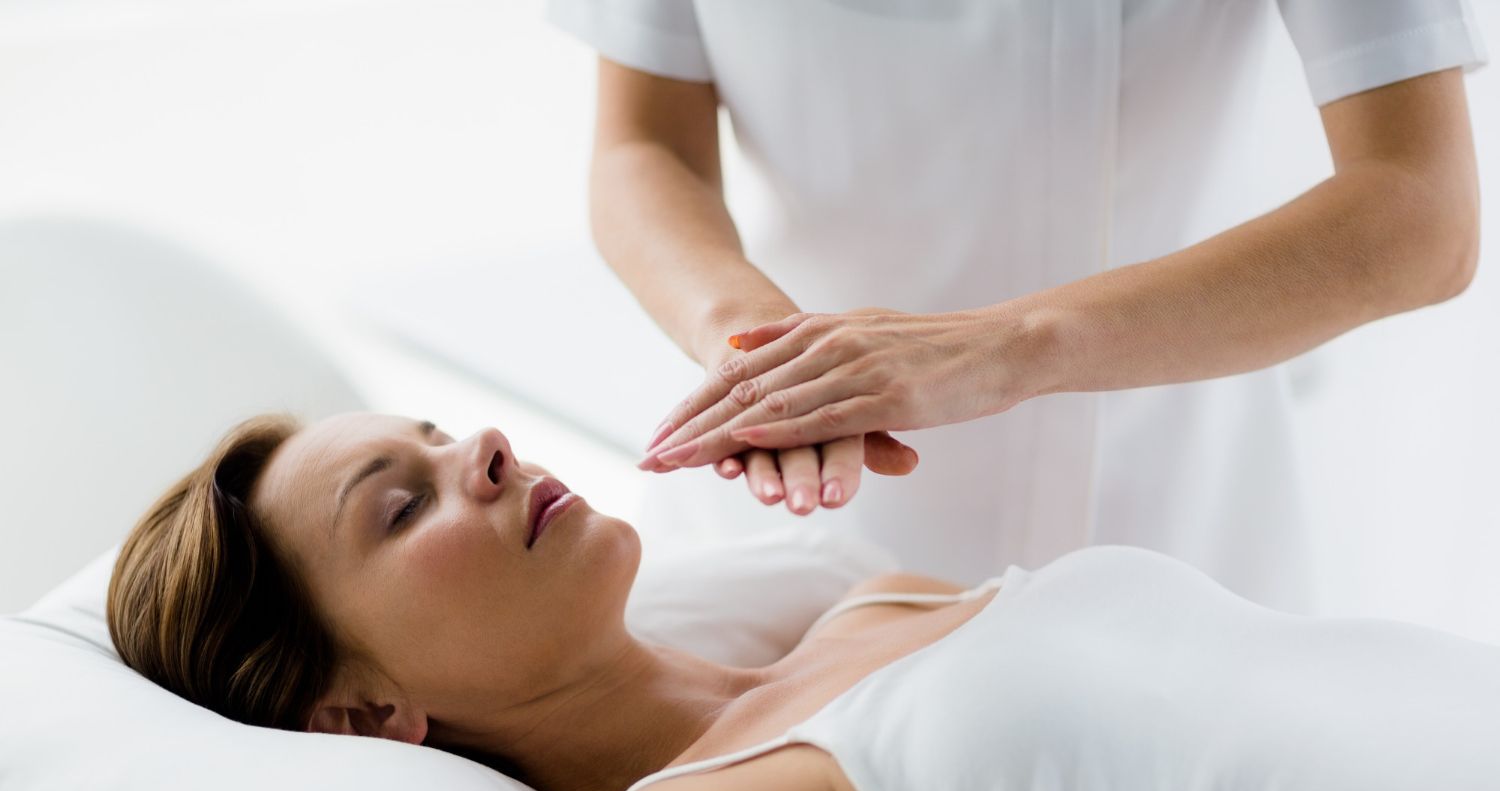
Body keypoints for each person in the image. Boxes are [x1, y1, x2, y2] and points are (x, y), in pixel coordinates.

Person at [107, 411, 1500, 791]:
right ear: (359, 717)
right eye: (401, 503)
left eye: (429, 429)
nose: (475, 445)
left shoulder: (871, 601)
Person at [552, 0, 1488, 612]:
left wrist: (1007, 346)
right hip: (779, 523)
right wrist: (760, 352)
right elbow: (644, 144)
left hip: (1165, 541)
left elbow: (1418, 212)